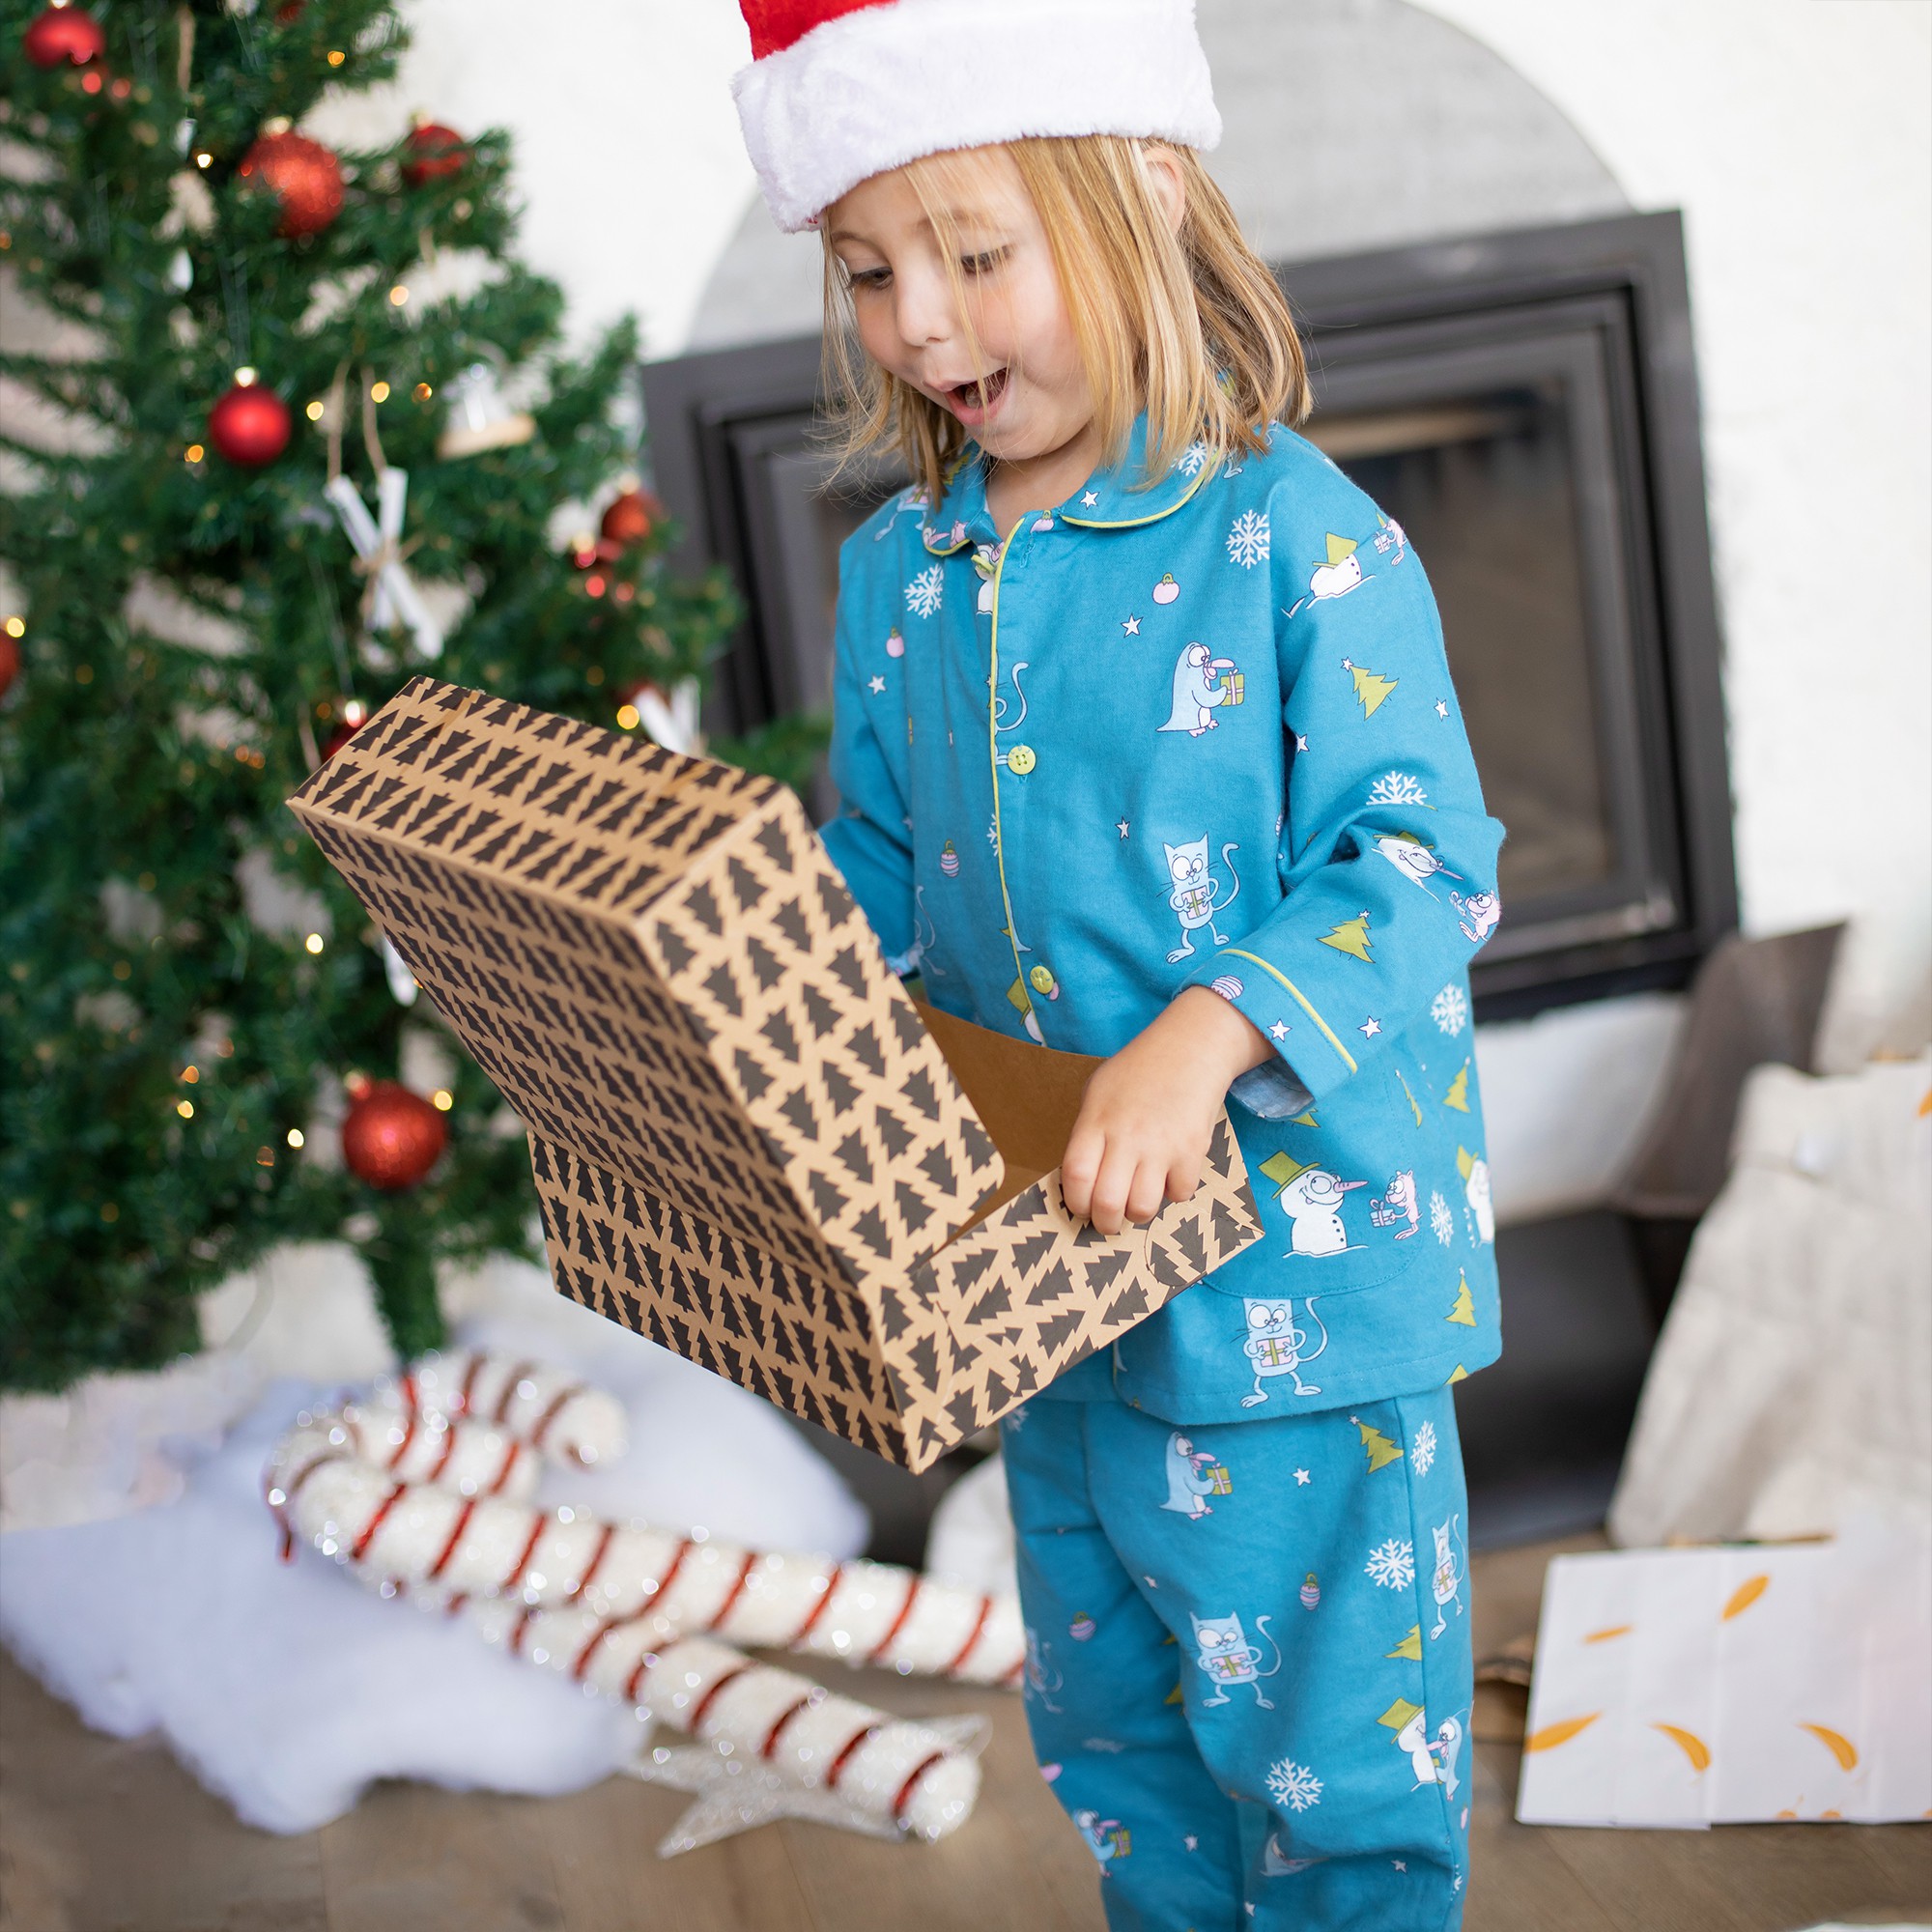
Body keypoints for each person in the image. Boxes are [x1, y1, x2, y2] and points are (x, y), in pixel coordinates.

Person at [728, 3, 1505, 1924]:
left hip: (1301, 1313)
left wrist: (1202, 1035)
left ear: (1147, 193)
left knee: (1331, 1788)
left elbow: (1418, 859)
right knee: (1118, 1752)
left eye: (976, 255)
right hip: (1048, 1301)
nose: (919, 323)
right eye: (868, 271)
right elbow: (880, 884)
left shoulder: (1296, 539)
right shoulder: (905, 569)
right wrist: (762, 1010)